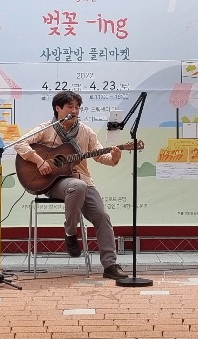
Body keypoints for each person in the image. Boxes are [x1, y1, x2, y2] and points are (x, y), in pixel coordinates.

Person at [13, 90, 127, 279]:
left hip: (83, 180)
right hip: (53, 182)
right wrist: (39, 161)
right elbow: (19, 143)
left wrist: (114, 157)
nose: (74, 110)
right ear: (58, 108)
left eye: (77, 107)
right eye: (70, 106)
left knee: (102, 216)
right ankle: (71, 233)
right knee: (77, 186)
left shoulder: (86, 131)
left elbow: (101, 156)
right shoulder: (46, 128)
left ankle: (110, 266)